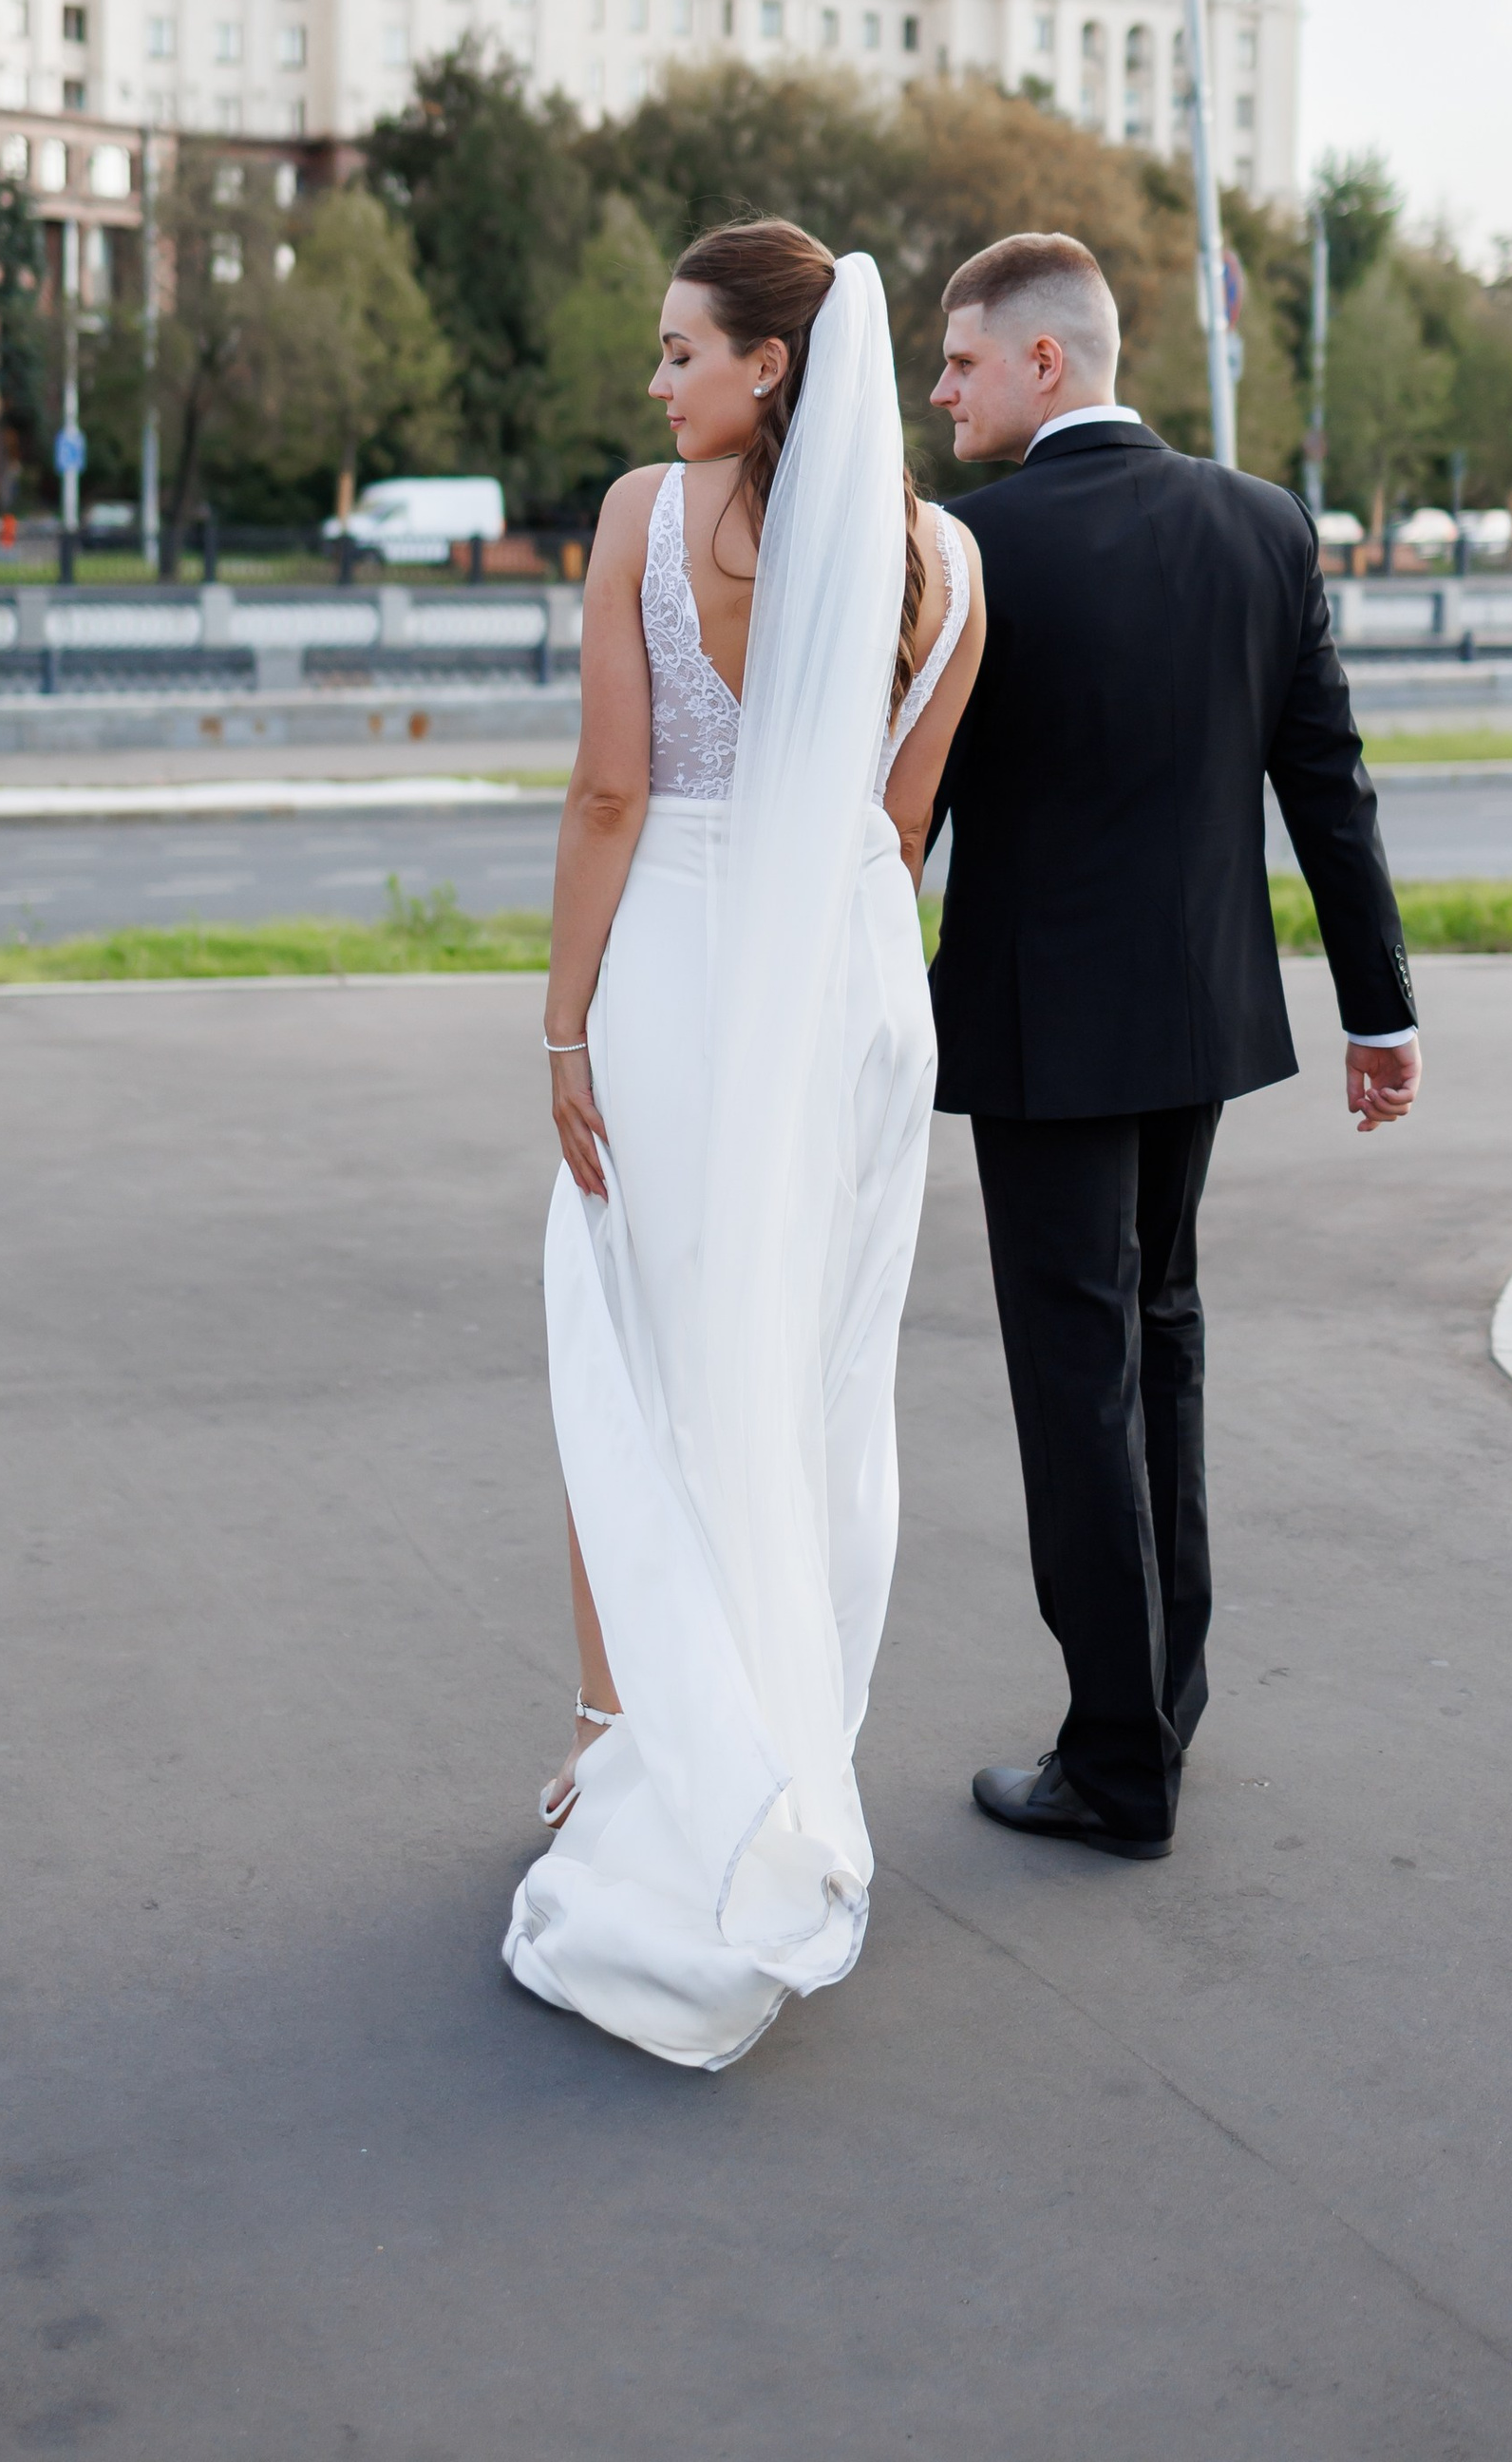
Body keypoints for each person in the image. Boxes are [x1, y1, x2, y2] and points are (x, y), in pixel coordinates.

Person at [503, 218, 986, 2069]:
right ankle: (792, 1741)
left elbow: (611, 786)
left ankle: (624, 1739)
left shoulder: (646, 516)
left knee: (639, 1350)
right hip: (854, 983)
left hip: (688, 961)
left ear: (766, 365)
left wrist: (561, 1020)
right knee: (810, 1367)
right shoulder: (944, 563)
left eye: (679, 349)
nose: (656, 382)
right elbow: (893, 831)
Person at [927, 231, 1420, 1862]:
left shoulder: (969, 552)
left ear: (1046, 362)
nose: (942, 393)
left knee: (1078, 1377)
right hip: (1202, 1015)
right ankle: (1165, 1703)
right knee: (1165, 1335)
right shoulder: (1263, 526)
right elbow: (1326, 786)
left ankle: (1117, 1765)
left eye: (963, 362)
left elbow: (899, 818)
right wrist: (1379, 1009)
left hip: (1034, 1029)